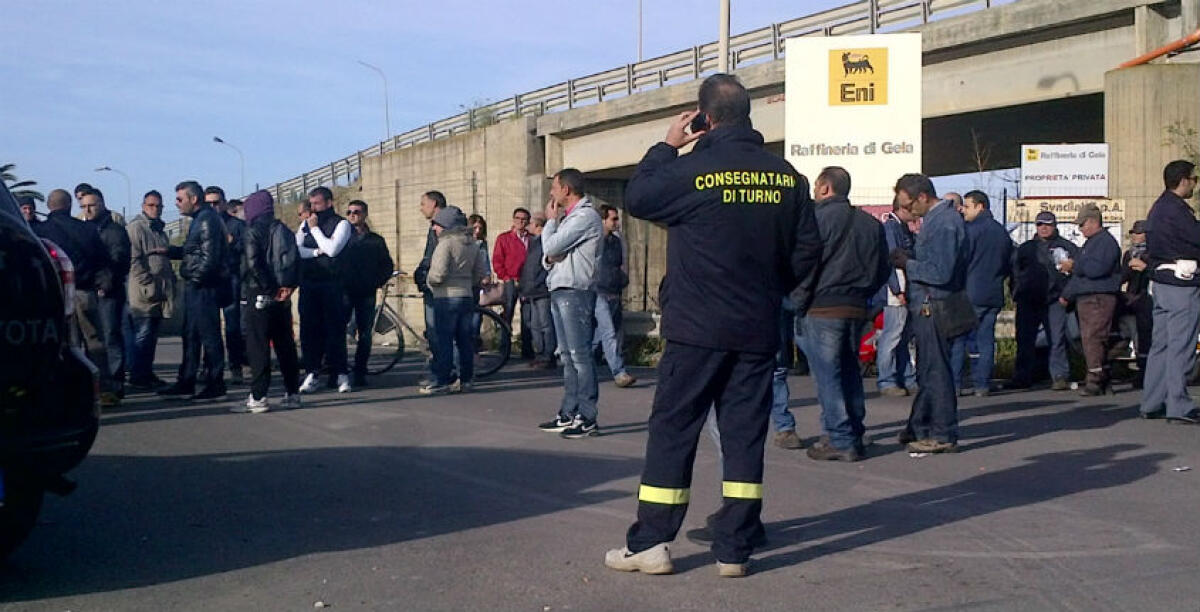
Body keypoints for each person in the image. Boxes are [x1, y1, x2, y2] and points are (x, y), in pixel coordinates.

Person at [604, 74, 822, 577]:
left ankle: (652, 543)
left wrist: (666, 146)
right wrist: (771, 288)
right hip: (756, 329)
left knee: (674, 431)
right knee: (745, 436)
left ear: (705, 118)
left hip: (696, 327)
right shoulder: (788, 177)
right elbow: (808, 250)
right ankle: (734, 550)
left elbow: (638, 197)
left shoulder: (692, 170)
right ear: (749, 116)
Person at [793, 167, 889, 462]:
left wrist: (797, 300)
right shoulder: (871, 225)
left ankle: (840, 438)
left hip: (822, 307)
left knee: (827, 376)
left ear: (824, 188)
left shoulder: (815, 220)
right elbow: (882, 268)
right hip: (856, 306)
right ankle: (854, 431)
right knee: (849, 372)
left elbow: (804, 265)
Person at [891, 174, 969, 454]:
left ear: (922, 197)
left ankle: (942, 433)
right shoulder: (937, 221)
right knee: (928, 368)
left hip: (934, 304)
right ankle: (919, 425)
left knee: (936, 371)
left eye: (909, 204)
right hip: (929, 303)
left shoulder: (945, 223)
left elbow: (941, 271)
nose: (908, 211)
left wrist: (907, 263)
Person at [534, 168, 604, 439]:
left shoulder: (584, 217)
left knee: (579, 356)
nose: (551, 193)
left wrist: (550, 223)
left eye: (554, 187)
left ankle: (587, 416)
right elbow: (549, 257)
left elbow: (551, 248)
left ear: (566, 189)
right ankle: (569, 412)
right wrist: (551, 253)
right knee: (567, 357)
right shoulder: (571, 218)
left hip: (575, 291)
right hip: (561, 288)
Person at [33, 189, 111, 398]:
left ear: (49, 206)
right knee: (94, 341)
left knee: (63, 344)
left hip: (55, 297)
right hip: (84, 293)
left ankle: (67, 391)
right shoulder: (87, 230)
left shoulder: (40, 231)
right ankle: (104, 389)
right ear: (69, 206)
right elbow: (103, 260)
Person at [1140, 160, 1200, 423]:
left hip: (1162, 283)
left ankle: (1152, 401)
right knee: (1181, 345)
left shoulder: (1158, 208)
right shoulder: (1178, 211)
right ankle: (1179, 404)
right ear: (1183, 180)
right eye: (1194, 179)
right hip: (1181, 284)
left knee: (1161, 345)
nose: (1195, 185)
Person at [159, 181, 229, 401]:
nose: (177, 204)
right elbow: (196, 252)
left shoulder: (207, 220)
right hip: (196, 287)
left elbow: (211, 258)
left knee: (209, 336)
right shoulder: (200, 220)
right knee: (190, 335)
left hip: (203, 288)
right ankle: (186, 381)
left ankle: (215, 383)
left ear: (193, 199)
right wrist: (172, 251)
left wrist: (196, 279)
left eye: (180, 199)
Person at [234, 190, 303, 413]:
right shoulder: (284, 229)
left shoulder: (252, 231)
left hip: (259, 293)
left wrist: (269, 289)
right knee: (285, 345)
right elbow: (295, 262)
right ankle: (292, 392)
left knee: (258, 346)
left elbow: (254, 264)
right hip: (283, 295)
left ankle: (259, 396)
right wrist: (287, 288)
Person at [950, 190, 1012, 396]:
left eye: (967, 206)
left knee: (959, 339)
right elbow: (1007, 263)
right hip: (993, 292)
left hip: (970, 292)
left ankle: (955, 384)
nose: (963, 210)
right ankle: (982, 384)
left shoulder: (969, 231)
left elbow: (960, 261)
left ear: (980, 207)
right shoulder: (1001, 232)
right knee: (986, 340)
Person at [1007, 211, 1079, 390]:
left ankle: (1059, 376)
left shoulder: (1068, 247)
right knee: (1024, 339)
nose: (1044, 228)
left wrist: (1066, 295)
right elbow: (1014, 272)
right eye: (1040, 224)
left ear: (1055, 226)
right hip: (1028, 300)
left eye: (1048, 224)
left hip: (1055, 300)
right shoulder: (1026, 248)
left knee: (1057, 339)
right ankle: (1022, 376)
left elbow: (1076, 275)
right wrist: (1016, 293)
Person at [423, 206, 488, 394]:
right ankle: (466, 379)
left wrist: (430, 282)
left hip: (446, 296)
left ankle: (442, 380)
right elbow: (480, 274)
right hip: (466, 295)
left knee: (444, 340)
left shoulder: (445, 244)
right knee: (464, 341)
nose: (434, 228)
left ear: (446, 225)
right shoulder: (473, 245)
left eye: (437, 224)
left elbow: (438, 274)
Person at [295, 186, 353, 394]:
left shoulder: (342, 224)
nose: (313, 209)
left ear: (329, 203)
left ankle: (341, 373)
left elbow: (333, 249)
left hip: (333, 285)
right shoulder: (305, 224)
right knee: (310, 332)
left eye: (317, 204)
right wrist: (316, 252)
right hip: (310, 285)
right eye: (311, 204)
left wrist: (316, 231)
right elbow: (297, 249)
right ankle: (312, 372)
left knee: (334, 331)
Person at [1060, 203, 1120, 395]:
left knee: (1093, 338)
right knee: (1089, 338)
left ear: (1094, 222)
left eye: (1082, 224)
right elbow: (1081, 276)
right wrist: (1067, 295)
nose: (1080, 228)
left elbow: (1096, 270)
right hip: (1088, 298)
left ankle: (1095, 380)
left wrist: (1075, 265)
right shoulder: (1091, 243)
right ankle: (1103, 375)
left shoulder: (1105, 243)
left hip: (1099, 298)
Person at [81, 188, 131, 406]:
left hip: (108, 292)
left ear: (101, 204)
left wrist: (105, 284)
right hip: (92, 289)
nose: (87, 210)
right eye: (83, 206)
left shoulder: (114, 231)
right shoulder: (87, 229)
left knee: (111, 336)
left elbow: (118, 261)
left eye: (91, 205)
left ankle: (115, 385)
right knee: (95, 339)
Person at [125, 190, 176, 391]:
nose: (155, 209)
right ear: (143, 206)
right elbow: (134, 260)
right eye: (151, 205)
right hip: (143, 293)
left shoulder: (159, 230)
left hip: (159, 292)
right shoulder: (136, 228)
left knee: (151, 336)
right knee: (143, 335)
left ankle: (146, 373)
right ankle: (138, 375)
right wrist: (147, 283)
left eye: (158, 206)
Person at [342, 200, 394, 387]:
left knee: (364, 335)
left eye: (356, 211)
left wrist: (376, 281)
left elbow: (387, 265)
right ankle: (338, 371)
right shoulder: (342, 238)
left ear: (365, 214)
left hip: (366, 292)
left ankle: (360, 372)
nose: (352, 215)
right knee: (339, 332)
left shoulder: (375, 240)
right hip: (345, 292)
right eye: (349, 212)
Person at [876, 198, 917, 396]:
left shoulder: (900, 228)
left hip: (901, 289)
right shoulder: (892, 229)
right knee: (892, 336)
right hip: (896, 291)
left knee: (901, 337)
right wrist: (897, 290)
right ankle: (887, 380)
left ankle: (905, 377)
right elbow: (892, 259)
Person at [206, 186, 247, 385]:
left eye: (216, 202)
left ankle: (236, 366)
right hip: (210, 280)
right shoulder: (203, 224)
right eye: (209, 203)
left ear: (223, 203)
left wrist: (232, 243)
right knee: (209, 327)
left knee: (233, 327)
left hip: (231, 279)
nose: (213, 207)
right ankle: (210, 368)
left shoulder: (237, 225)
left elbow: (247, 249)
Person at [593, 204, 637, 388]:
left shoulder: (616, 241)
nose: (617, 222)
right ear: (603, 220)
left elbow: (619, 265)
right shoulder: (594, 240)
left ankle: (580, 367)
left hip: (613, 291)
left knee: (600, 335)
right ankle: (619, 372)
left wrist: (622, 280)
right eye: (613, 218)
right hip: (598, 291)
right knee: (609, 332)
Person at [414, 191, 447, 382]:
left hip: (438, 285)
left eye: (423, 203)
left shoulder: (441, 225)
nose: (421, 208)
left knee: (437, 331)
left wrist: (425, 275)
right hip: (434, 283)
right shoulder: (439, 225)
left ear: (434, 204)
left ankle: (442, 373)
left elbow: (435, 256)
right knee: (437, 331)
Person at [493, 208, 534, 359]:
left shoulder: (533, 239)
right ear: (513, 219)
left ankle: (527, 350)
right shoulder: (504, 238)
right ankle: (504, 348)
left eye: (524, 219)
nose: (521, 222)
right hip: (510, 280)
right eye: (518, 218)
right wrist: (505, 276)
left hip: (527, 282)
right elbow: (497, 259)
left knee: (527, 317)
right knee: (507, 314)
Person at [518, 214, 556, 368]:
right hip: (531, 290)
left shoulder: (545, 242)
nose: (527, 226)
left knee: (545, 324)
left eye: (531, 223)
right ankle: (540, 353)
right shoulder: (533, 243)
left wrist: (538, 282)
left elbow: (545, 267)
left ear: (539, 226)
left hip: (542, 289)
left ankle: (548, 355)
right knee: (534, 324)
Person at [1120, 220, 1152, 388]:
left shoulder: (1154, 252)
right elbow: (1123, 276)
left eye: (1139, 233)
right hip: (1132, 299)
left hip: (1148, 298)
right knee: (1134, 334)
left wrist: (1145, 267)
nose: (1135, 236)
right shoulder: (1129, 253)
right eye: (1133, 233)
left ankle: (1145, 372)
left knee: (1145, 336)